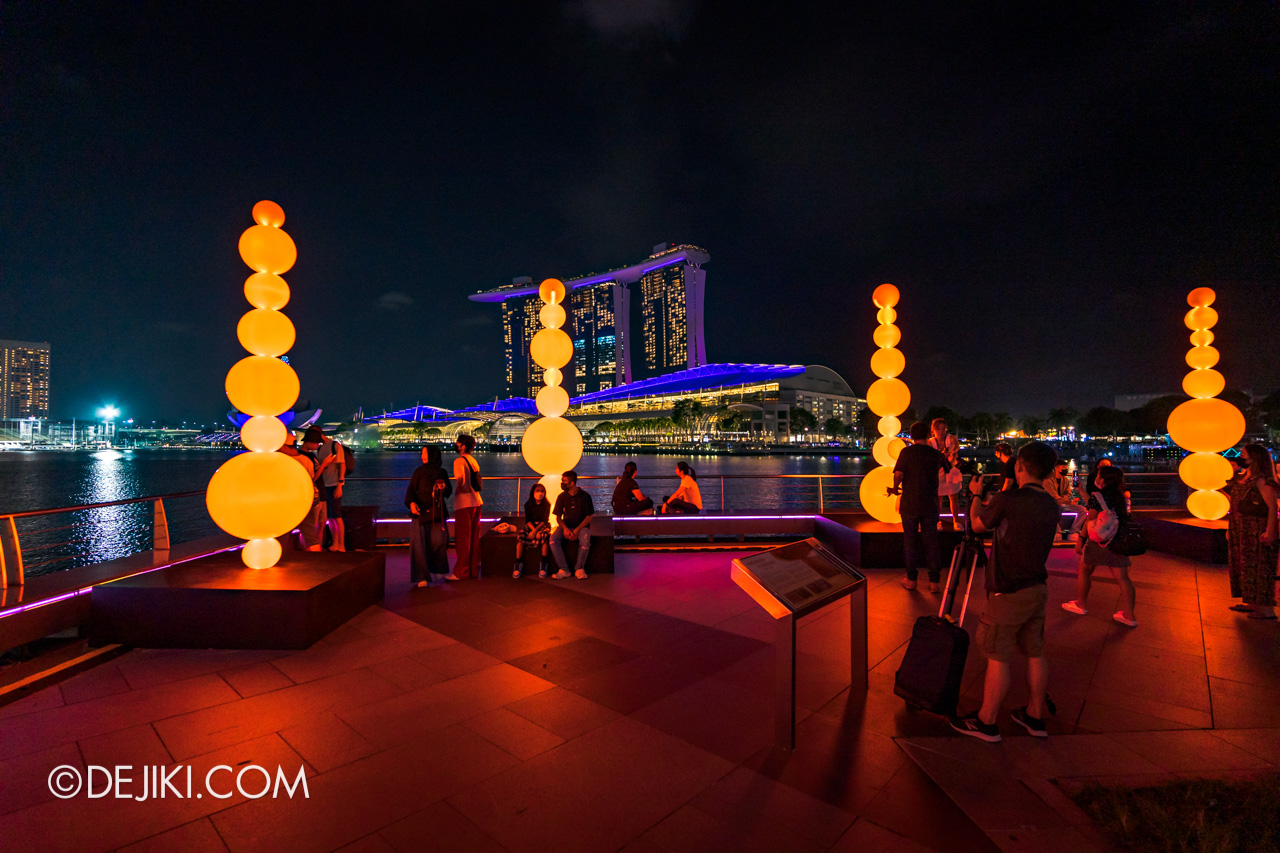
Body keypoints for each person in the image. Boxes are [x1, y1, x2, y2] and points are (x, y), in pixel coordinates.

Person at [949, 441, 1060, 742]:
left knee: (997, 655)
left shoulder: (1008, 499)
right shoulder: (1052, 504)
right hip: (1037, 587)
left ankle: (986, 722)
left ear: (1020, 466)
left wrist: (974, 495)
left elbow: (977, 524)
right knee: (1035, 652)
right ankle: (1035, 716)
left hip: (1007, 591)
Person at [1061, 465, 1138, 627]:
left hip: (1099, 541)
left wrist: (1081, 539)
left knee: (1084, 570)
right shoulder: (1121, 496)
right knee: (1123, 578)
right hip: (1118, 540)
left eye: (1099, 475)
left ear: (1103, 479)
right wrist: (1081, 490)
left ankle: (1081, 605)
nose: (1097, 477)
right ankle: (1130, 616)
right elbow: (1099, 506)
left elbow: (1091, 519)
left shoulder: (1099, 496)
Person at [890, 421, 951, 592]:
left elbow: (899, 473)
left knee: (910, 541)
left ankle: (911, 580)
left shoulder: (906, 452)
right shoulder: (935, 453)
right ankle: (934, 583)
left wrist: (895, 488)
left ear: (911, 436)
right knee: (931, 542)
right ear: (928, 435)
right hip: (930, 504)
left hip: (910, 503)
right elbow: (949, 468)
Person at [1225, 444, 1278, 620]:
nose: (1239, 456)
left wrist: (1270, 531)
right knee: (1245, 565)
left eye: (1243, 454)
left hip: (1256, 528)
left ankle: (1266, 608)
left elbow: (1272, 507)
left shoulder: (1262, 479)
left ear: (1254, 458)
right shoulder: (1244, 478)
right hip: (1241, 527)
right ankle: (1251, 602)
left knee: (1260, 566)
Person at [405, 445, 451, 587]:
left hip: (437, 512)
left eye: (425, 453)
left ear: (432, 455)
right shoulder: (418, 472)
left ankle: (436, 568)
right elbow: (411, 491)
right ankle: (421, 577)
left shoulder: (441, 472)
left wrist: (443, 488)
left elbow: (449, 491)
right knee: (419, 545)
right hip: (420, 513)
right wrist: (412, 504)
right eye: (422, 453)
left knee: (439, 541)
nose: (422, 456)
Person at [280, 431, 325, 551]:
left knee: (282, 532)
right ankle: (317, 561)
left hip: (290, 502)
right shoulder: (306, 460)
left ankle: (282, 557)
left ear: (284, 446)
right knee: (310, 535)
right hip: (308, 501)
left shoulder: (284, 461)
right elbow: (311, 480)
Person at [449, 434, 483, 580]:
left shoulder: (459, 461)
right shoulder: (473, 460)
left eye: (458, 443)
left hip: (464, 503)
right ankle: (473, 569)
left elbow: (461, 479)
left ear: (463, 445)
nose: (456, 444)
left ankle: (461, 572)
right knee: (474, 537)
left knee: (463, 538)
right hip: (477, 501)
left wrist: (458, 490)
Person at [550, 470, 594, 579]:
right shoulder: (561, 497)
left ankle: (579, 568)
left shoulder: (585, 496)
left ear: (572, 483)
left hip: (581, 526)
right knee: (553, 539)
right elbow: (558, 517)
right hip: (566, 526)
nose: (562, 483)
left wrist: (576, 530)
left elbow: (589, 517)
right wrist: (565, 528)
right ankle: (564, 569)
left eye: (564, 481)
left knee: (585, 540)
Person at [309, 428, 347, 552]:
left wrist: (340, 484)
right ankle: (335, 544)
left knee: (337, 516)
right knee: (330, 517)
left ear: (320, 434)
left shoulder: (335, 445)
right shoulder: (320, 448)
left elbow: (342, 464)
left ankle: (342, 545)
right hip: (323, 486)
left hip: (334, 484)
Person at [930, 418, 963, 528]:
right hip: (937, 472)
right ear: (933, 430)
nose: (941, 431)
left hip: (951, 471)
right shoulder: (930, 442)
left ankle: (956, 522)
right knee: (938, 498)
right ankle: (937, 521)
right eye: (938, 429)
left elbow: (957, 446)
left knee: (953, 497)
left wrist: (952, 451)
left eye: (943, 428)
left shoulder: (951, 438)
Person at [515, 482, 552, 579]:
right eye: (538, 491)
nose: (540, 493)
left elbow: (544, 520)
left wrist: (536, 531)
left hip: (542, 525)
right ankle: (518, 564)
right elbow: (528, 520)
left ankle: (544, 565)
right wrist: (533, 530)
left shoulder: (547, 504)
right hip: (531, 526)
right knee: (521, 537)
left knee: (545, 538)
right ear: (533, 492)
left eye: (542, 491)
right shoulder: (528, 504)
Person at [1043, 459, 1086, 540]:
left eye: (1065, 468)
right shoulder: (1047, 480)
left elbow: (1068, 493)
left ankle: (1073, 531)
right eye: (1063, 468)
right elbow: (1053, 496)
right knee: (1055, 508)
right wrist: (1065, 501)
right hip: (1051, 505)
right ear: (1056, 468)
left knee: (1083, 510)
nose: (1065, 470)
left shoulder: (1065, 479)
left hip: (1063, 504)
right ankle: (1057, 532)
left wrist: (1066, 501)